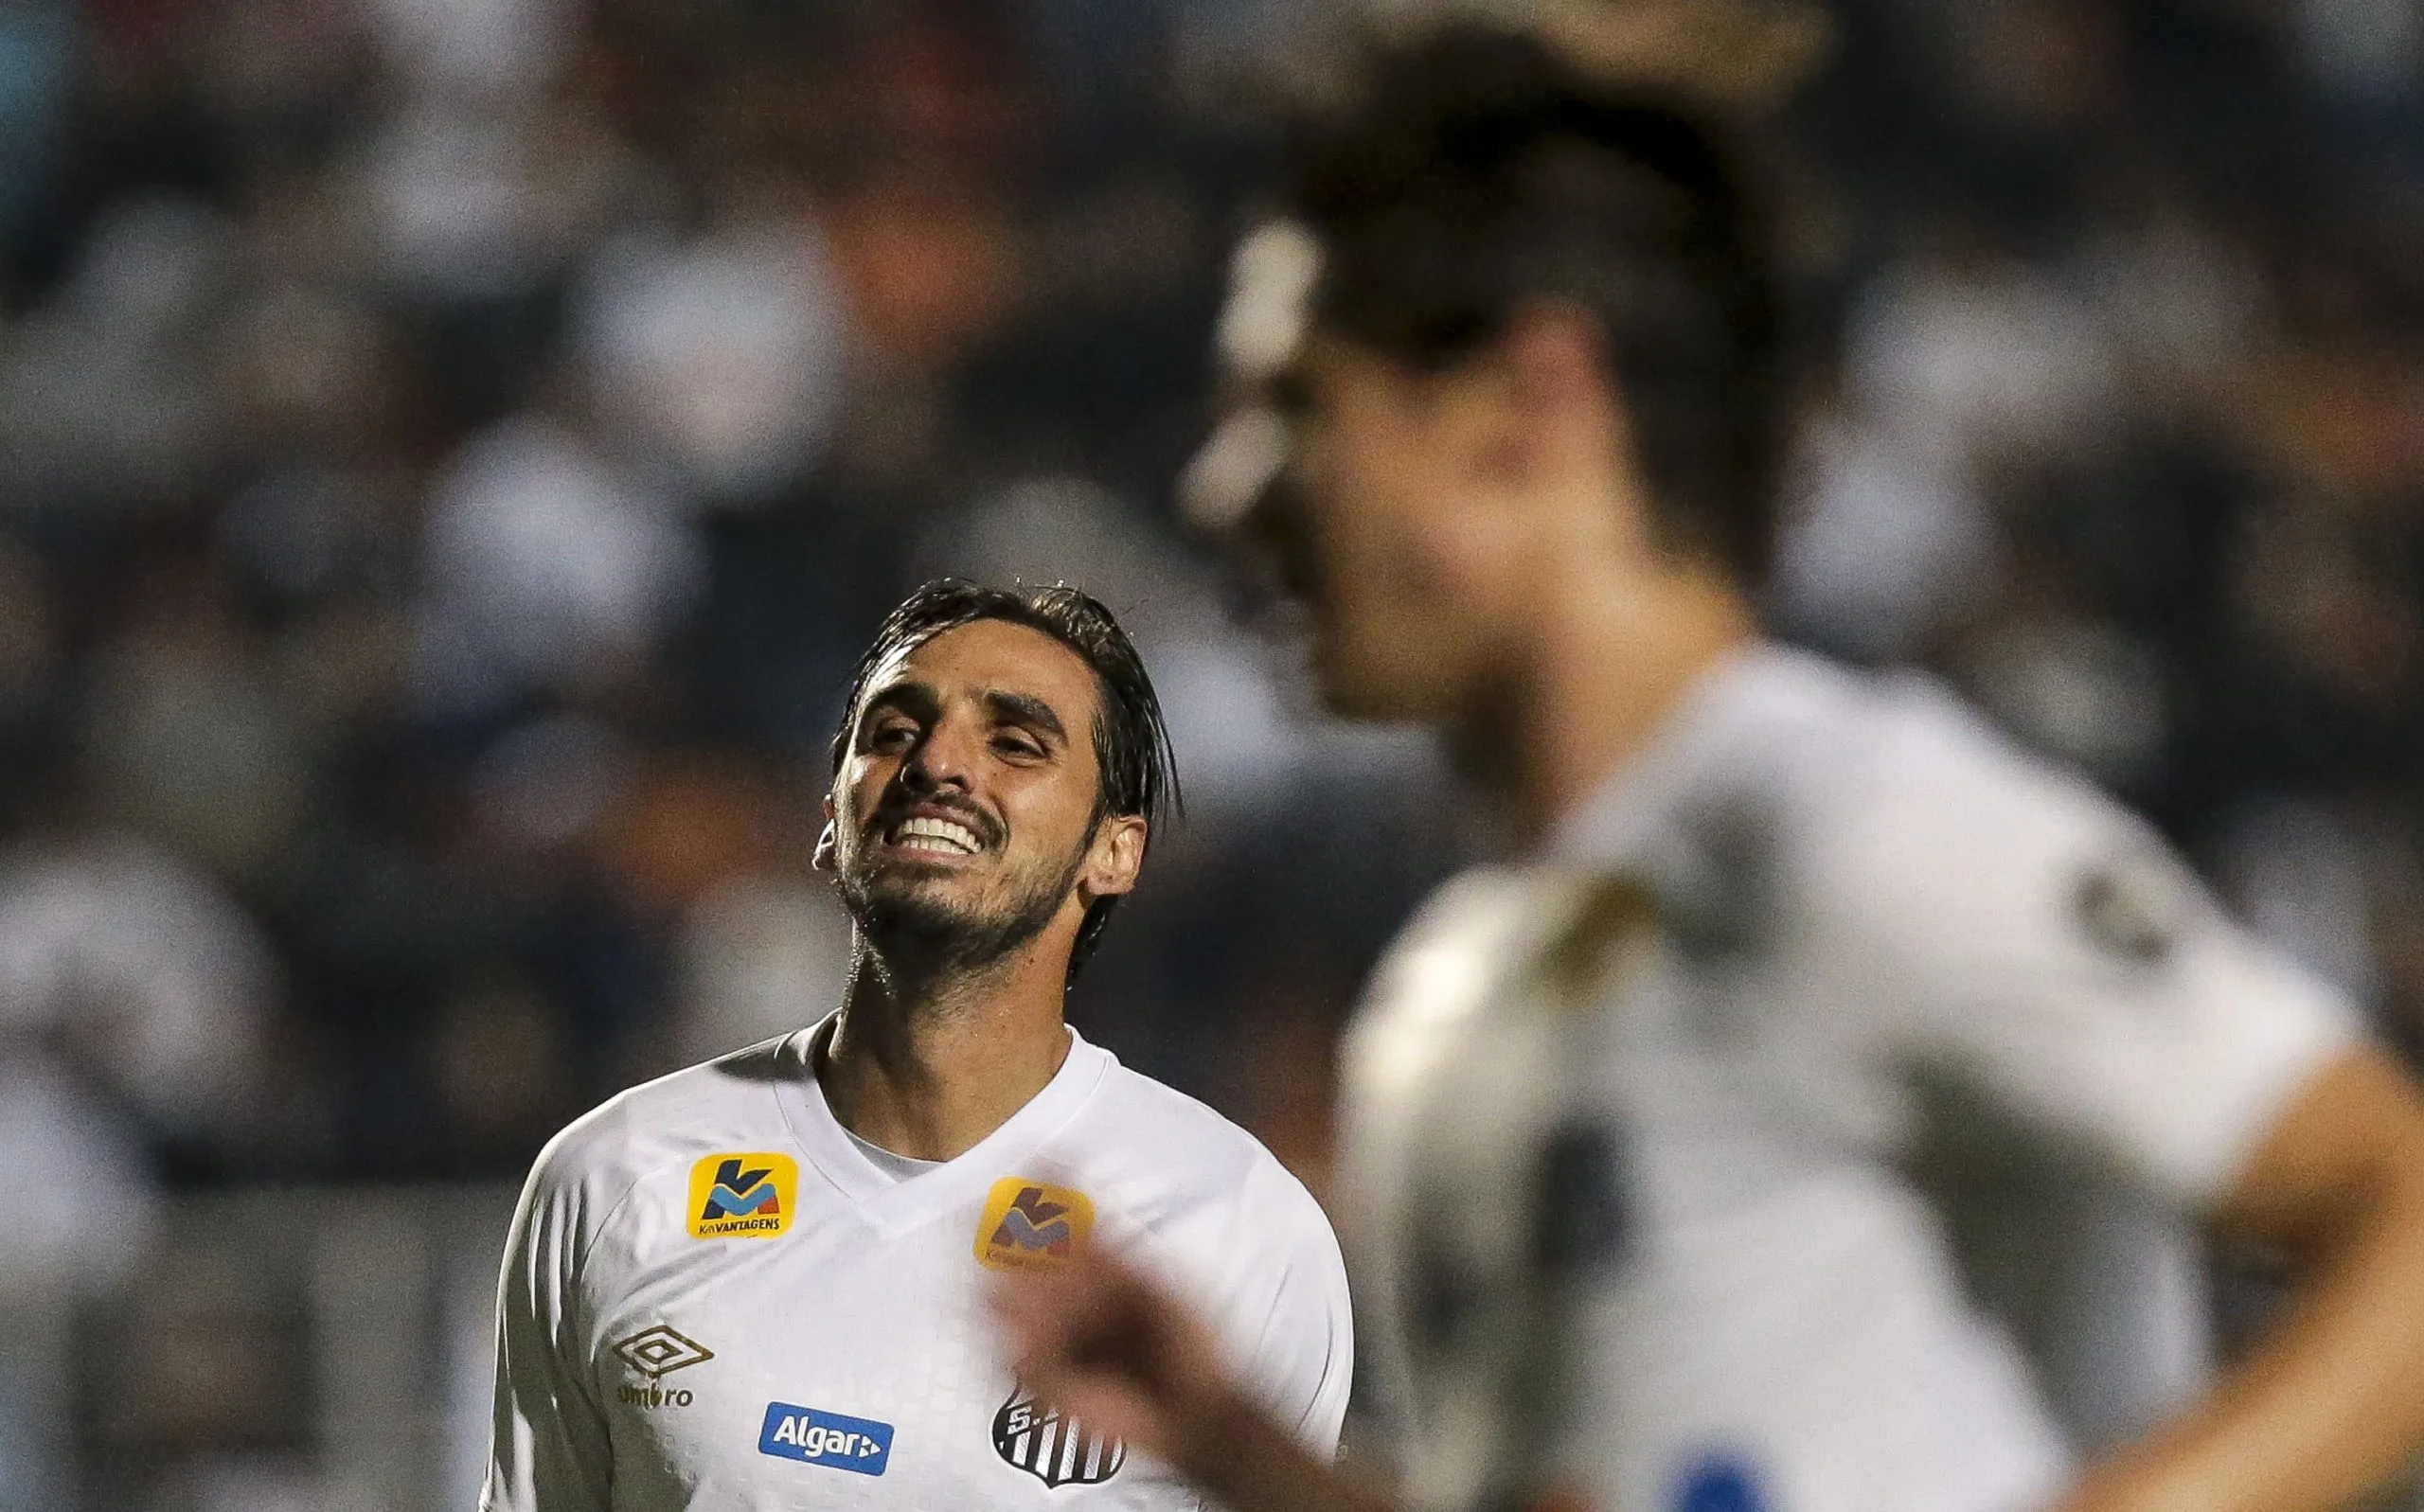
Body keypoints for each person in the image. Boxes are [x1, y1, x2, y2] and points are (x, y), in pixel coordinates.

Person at [993, 22, 2424, 1512]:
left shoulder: (1846, 824)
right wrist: (1241, 1450)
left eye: (1292, 406)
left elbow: (2403, 1221)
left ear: (1525, 407)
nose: (1223, 491)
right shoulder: (1458, 988)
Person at [484, 579, 1353, 1511]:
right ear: (831, 818)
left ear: (1115, 850)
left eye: (1014, 743)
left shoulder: (1236, 1219)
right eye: (894, 731)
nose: (938, 760)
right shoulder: (616, 1178)